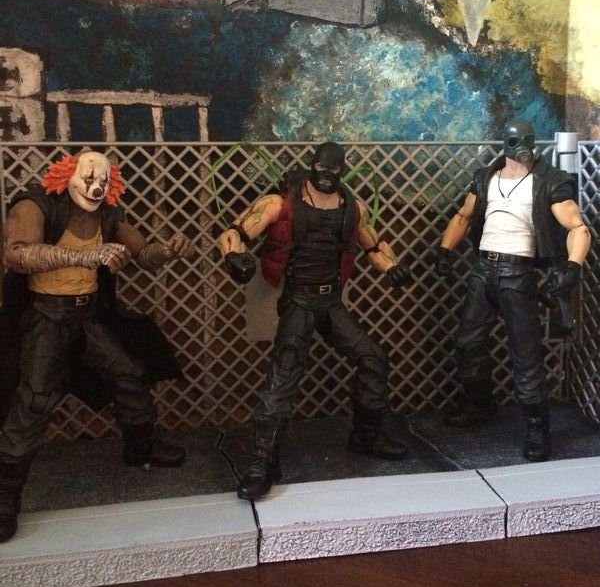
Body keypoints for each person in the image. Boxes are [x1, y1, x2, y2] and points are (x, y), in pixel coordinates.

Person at [0, 151, 196, 542]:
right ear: (66, 176)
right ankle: (5, 495)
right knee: (35, 399)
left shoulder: (107, 214)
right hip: (47, 317)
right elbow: (16, 254)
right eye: (88, 179)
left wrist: (170, 251)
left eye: (102, 182)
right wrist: (87, 256)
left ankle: (141, 447)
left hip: (87, 314)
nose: (95, 188)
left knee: (130, 373)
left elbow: (143, 254)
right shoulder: (37, 204)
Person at [218, 141, 411, 500]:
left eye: (333, 171)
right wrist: (234, 257)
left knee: (373, 358)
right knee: (283, 375)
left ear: (341, 171)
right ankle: (263, 461)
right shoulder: (279, 204)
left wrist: (392, 268)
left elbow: (373, 246)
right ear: (311, 166)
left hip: (331, 302)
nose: (326, 176)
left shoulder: (352, 207)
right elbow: (233, 233)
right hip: (299, 301)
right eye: (321, 169)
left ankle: (366, 437)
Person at [435, 120, 590, 461]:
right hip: (483, 269)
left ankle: (537, 427)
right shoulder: (486, 177)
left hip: (518, 273)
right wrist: (444, 251)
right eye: (515, 141)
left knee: (526, 353)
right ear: (505, 142)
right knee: (467, 343)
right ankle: (480, 403)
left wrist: (573, 267)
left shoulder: (548, 180)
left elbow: (577, 227)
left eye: (527, 141)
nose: (522, 148)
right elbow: (463, 217)